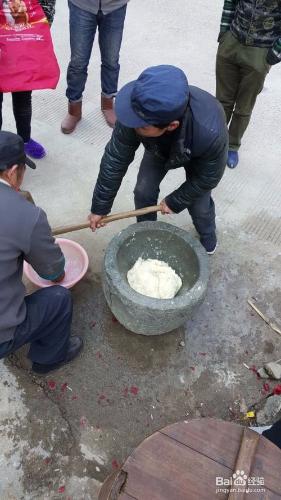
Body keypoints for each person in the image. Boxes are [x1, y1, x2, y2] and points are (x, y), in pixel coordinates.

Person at [88, 65, 228, 254]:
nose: (133, 127)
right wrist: (100, 206)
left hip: (197, 154)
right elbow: (115, 158)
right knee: (143, 191)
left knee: (199, 205)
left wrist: (176, 201)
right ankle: (148, 233)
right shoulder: (136, 110)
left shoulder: (210, 132)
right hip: (158, 148)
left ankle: (207, 234)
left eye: (142, 127)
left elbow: (208, 178)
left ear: (171, 125)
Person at [0, 131, 83, 374]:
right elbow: (54, 271)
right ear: (13, 171)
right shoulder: (26, 215)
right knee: (58, 299)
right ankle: (49, 359)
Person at [216, 0, 281, 169]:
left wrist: (275, 54)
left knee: (244, 106)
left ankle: (232, 145)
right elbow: (230, 3)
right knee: (222, 100)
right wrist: (224, 33)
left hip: (260, 52)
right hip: (231, 42)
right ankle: (215, 140)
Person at [61, 0, 129, 133]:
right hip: (81, 5)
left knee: (111, 59)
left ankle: (108, 103)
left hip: (115, 6)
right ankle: (74, 109)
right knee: (78, 62)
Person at [0, 0, 57, 159]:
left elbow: (47, 3)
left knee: (23, 94)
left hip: (24, 34)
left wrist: (40, 27)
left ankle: (24, 139)